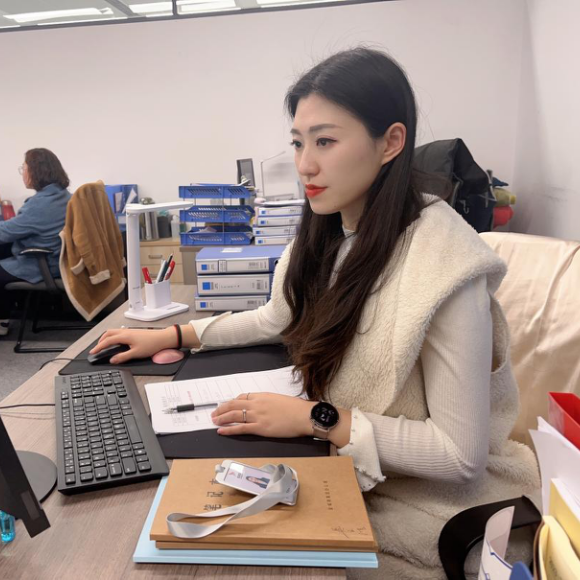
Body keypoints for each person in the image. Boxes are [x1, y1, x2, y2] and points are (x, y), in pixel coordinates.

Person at [91, 48, 539, 578]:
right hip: (345, 461)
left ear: (391, 142)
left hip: (422, 498)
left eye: (325, 141)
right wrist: (174, 334)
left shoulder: (444, 265)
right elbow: (277, 318)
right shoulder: (333, 227)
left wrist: (314, 418)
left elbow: (459, 457)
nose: (305, 164)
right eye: (298, 142)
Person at [0, 149, 71, 336]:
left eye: (24, 168)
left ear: (36, 171)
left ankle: (2, 321)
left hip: (43, 264)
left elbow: (4, 233)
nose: (23, 173)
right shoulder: (62, 195)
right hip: (58, 259)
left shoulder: (40, 204)